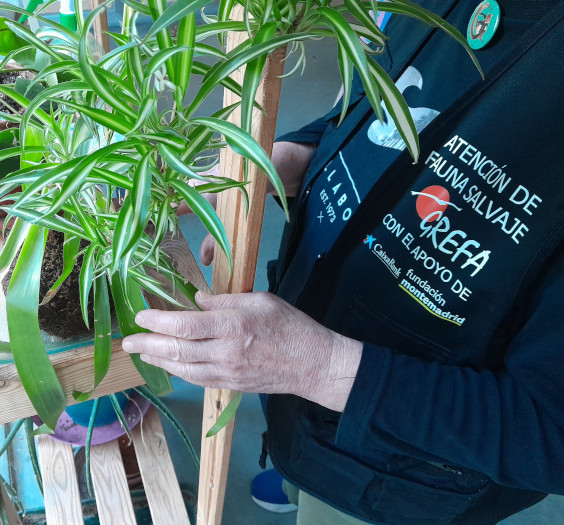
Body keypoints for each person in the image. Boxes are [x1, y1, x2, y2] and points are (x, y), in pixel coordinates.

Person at [122, 1, 564, 523]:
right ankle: (299, 466)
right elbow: (380, 100)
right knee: (298, 455)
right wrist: (300, 153)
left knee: (329, 506)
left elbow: (550, 433)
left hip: (400, 473)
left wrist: (319, 366)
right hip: (309, 375)